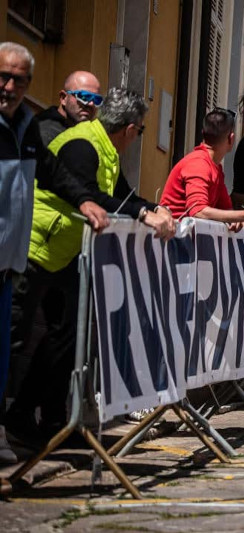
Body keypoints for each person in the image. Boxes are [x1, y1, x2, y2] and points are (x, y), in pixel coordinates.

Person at [6, 88, 176, 444]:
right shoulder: (83, 145)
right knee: (18, 335)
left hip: (66, 250)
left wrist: (153, 208)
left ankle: (51, 420)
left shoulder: (104, 147)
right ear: (130, 129)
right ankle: (16, 421)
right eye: (141, 130)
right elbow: (87, 194)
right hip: (38, 244)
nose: (138, 136)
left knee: (69, 336)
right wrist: (143, 213)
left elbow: (121, 194)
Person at [0, 43, 103, 463]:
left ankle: (13, 429)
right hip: (38, 250)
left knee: (23, 341)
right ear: (62, 97)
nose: (8, 86)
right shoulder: (42, 125)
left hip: (13, 258)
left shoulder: (25, 126)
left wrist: (84, 201)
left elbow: (54, 173)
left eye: (19, 80)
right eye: (3, 77)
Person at [160, 108, 244, 228]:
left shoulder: (215, 168)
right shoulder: (198, 164)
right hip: (173, 240)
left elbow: (226, 210)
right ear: (231, 138)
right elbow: (198, 211)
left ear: (203, 133)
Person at [36, 71, 102, 146]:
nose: (91, 104)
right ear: (63, 98)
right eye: (84, 96)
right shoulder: (43, 133)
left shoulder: (89, 133)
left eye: (97, 99)